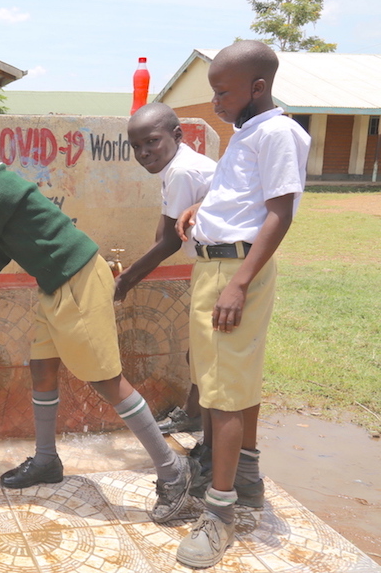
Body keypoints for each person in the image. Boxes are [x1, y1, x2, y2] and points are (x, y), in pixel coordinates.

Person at [0, 115, 195, 524]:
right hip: (56, 286)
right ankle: (48, 462)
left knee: (106, 379)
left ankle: (174, 473)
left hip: (77, 283)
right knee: (42, 368)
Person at [173, 40, 310, 568]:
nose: (215, 102)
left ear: (258, 87)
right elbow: (245, 196)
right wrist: (201, 208)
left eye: (222, 91)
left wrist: (239, 283)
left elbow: (279, 213)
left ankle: (220, 516)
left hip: (235, 272)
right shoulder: (249, 132)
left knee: (225, 394)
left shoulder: (278, 132)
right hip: (217, 265)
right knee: (225, 381)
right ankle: (246, 479)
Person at [115, 102, 217, 437]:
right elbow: (165, 232)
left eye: (151, 142)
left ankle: (211, 430)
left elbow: (170, 244)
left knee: (208, 354)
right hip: (210, 261)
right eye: (136, 146)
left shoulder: (182, 172)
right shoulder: (176, 168)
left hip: (223, 262)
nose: (143, 152)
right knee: (200, 352)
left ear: (176, 135)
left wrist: (126, 280)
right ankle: (194, 414)